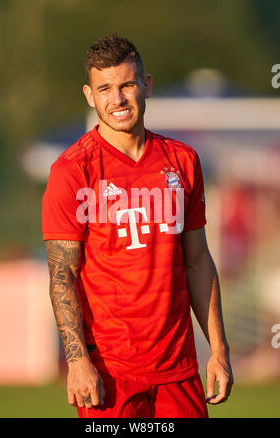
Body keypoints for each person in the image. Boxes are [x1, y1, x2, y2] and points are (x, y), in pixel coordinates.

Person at [42, 34, 233, 418]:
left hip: (177, 370)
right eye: (105, 88)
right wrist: (77, 363)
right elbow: (63, 273)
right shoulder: (72, 170)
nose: (118, 99)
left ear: (146, 85)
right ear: (89, 95)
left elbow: (197, 261)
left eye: (127, 84)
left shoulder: (182, 161)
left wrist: (219, 350)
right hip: (108, 372)